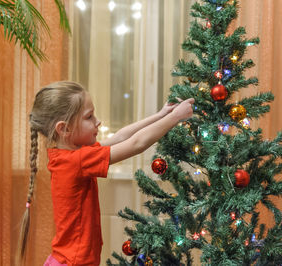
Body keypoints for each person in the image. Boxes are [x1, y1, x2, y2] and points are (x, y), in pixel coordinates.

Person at [16, 81, 195, 266]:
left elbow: (120, 137)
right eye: (89, 117)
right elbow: (136, 144)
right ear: (64, 129)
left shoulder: (68, 157)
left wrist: (160, 115)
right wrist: (175, 117)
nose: (98, 121)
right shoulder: (77, 161)